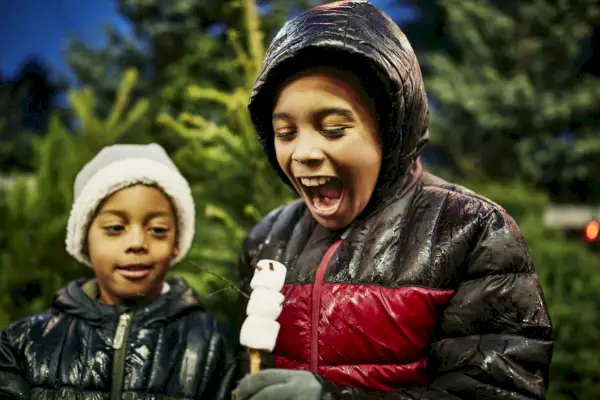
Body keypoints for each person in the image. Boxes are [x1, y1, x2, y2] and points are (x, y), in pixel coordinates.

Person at [233, 1, 553, 399]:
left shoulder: (470, 229)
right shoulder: (268, 238)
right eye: (285, 132)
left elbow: (496, 391)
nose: (303, 153)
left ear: (392, 131)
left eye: (333, 129)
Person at [0, 143, 238, 399]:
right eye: (115, 227)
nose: (137, 243)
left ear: (176, 245)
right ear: (84, 239)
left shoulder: (213, 346)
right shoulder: (24, 344)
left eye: (158, 229)